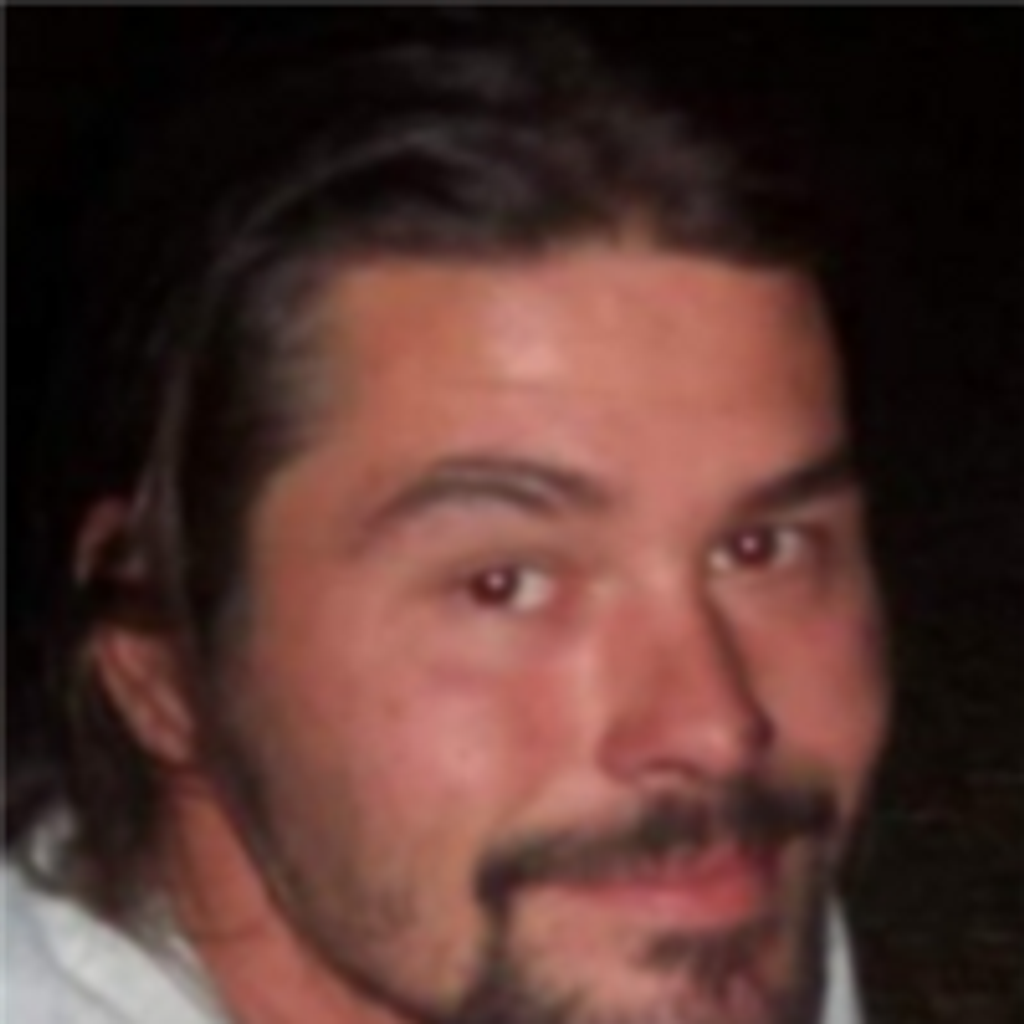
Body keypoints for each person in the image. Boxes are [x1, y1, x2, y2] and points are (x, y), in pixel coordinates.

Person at [0, 10, 890, 1024]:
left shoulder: (673, 910)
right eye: (503, 584)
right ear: (159, 666)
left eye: (758, 549)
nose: (718, 727)